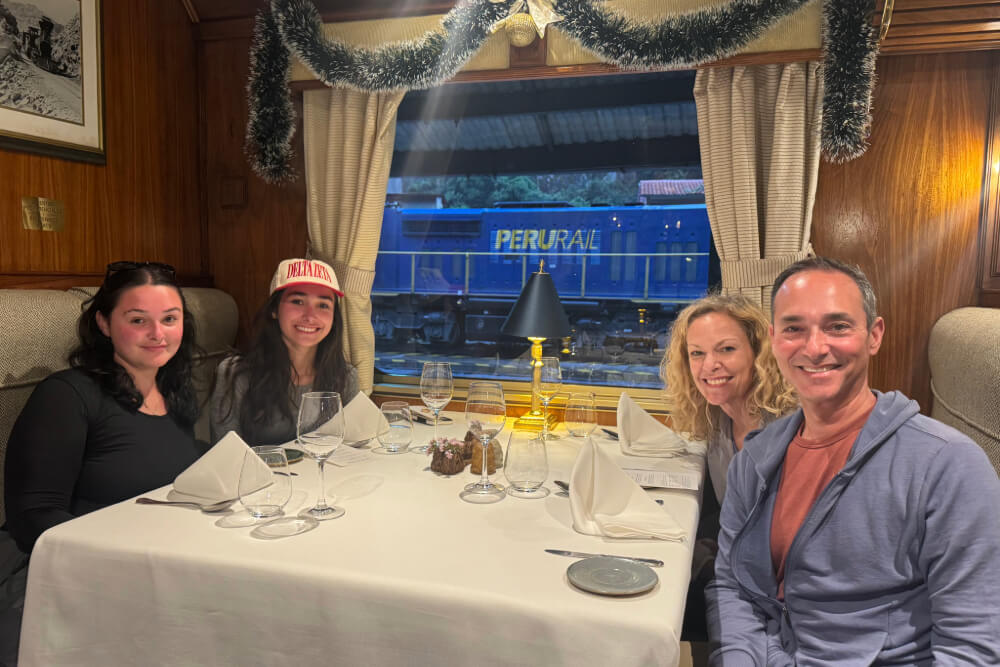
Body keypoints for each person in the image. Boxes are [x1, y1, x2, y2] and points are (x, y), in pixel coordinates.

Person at [706, 257, 1000, 664]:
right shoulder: (754, 459)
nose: (815, 347)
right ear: (774, 340)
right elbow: (732, 587)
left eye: (837, 326)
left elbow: (973, 647)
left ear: (873, 335)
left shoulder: (949, 465)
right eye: (794, 329)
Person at [1, 261, 205, 664]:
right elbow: (33, 516)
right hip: (66, 580)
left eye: (169, 318)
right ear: (104, 323)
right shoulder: (67, 396)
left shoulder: (174, 393)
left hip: (158, 569)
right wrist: (123, 566)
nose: (157, 333)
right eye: (138, 319)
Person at [662, 294, 796, 641]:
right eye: (698, 353)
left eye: (726, 350)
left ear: (758, 353)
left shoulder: (787, 431)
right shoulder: (718, 423)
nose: (709, 367)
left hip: (780, 591)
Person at [211, 258, 359, 445]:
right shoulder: (235, 373)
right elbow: (225, 456)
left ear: (333, 318)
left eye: (323, 305)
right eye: (297, 301)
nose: (310, 316)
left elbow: (352, 449)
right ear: (274, 309)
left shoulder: (345, 377)